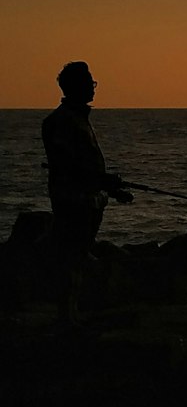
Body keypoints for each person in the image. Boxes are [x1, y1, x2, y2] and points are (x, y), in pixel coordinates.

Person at [41, 62, 133, 319]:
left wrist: (111, 189)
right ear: (76, 87)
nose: (93, 88)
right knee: (72, 261)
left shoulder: (75, 119)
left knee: (77, 258)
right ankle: (67, 319)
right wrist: (106, 183)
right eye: (89, 83)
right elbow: (72, 169)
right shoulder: (63, 122)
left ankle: (71, 316)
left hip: (87, 203)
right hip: (73, 203)